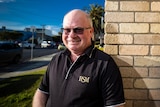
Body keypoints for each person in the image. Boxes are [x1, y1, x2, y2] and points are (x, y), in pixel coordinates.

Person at [32, 9, 125, 107]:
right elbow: (42, 92)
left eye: (78, 30)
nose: (71, 35)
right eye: (67, 30)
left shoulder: (105, 65)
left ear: (90, 32)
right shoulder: (56, 59)